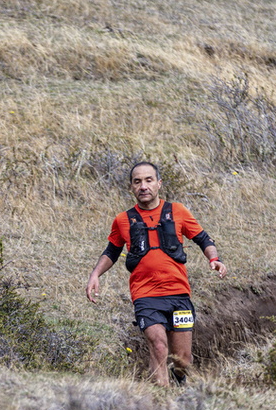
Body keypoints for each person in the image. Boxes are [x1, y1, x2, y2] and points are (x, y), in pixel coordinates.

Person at [86, 161, 227, 386]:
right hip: (146, 296)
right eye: (137, 181)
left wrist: (214, 259)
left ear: (159, 184)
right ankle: (162, 398)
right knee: (158, 345)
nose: (143, 186)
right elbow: (112, 251)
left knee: (183, 360)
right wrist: (95, 275)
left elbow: (203, 239)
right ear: (131, 187)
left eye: (148, 180)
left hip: (179, 295)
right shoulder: (123, 220)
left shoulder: (178, 211)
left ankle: (178, 378)